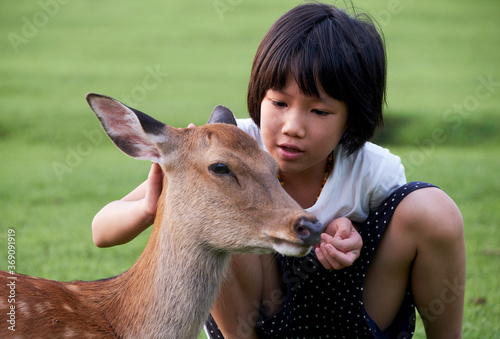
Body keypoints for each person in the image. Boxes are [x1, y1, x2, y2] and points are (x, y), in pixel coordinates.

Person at [92, 3, 465, 338]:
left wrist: (355, 238)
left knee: (434, 209)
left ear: (353, 118)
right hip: (257, 319)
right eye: (279, 102)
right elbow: (101, 230)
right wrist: (149, 207)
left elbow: (399, 235)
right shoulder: (230, 148)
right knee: (216, 205)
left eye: (318, 111)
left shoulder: (373, 169)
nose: (292, 126)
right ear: (259, 97)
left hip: (350, 316)